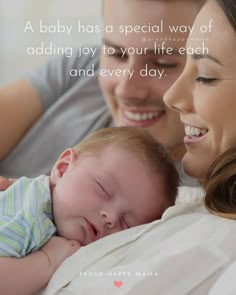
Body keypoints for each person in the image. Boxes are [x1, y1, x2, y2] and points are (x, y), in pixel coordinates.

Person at [35, 0, 236, 294]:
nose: (172, 96)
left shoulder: (212, 244)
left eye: (204, 76)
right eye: (115, 53)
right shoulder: (77, 71)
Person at [0, 0, 201, 187]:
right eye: (116, 54)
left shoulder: (208, 199)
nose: (125, 90)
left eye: (162, 64)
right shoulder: (83, 66)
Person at [0, 126, 179, 294]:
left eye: (127, 223)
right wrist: (47, 260)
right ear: (62, 169)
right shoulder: (28, 215)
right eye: (103, 189)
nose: (111, 217)